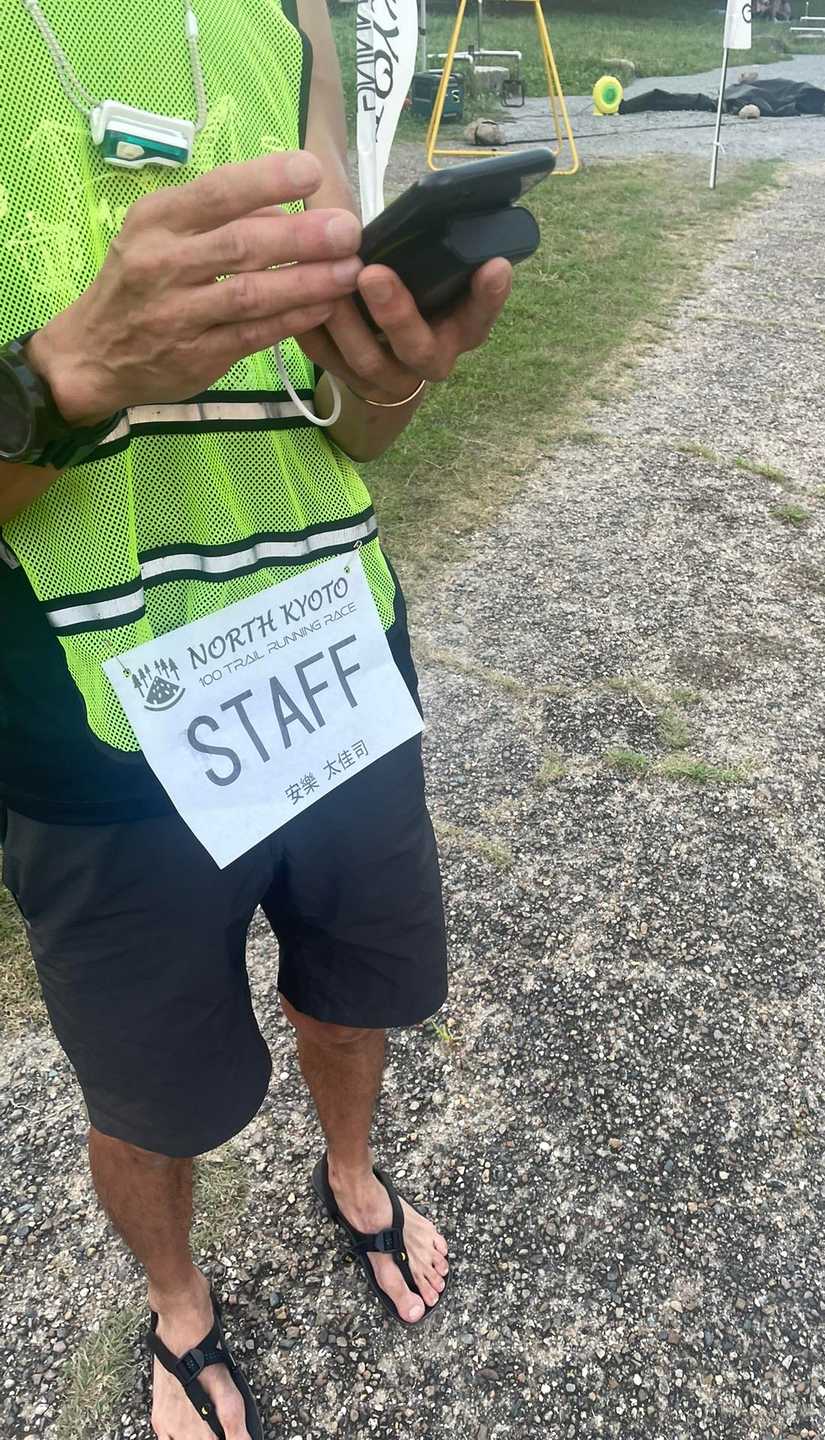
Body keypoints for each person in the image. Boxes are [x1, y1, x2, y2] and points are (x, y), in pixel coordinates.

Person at [0, 1, 513, 1436]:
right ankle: (179, 1308)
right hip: (98, 717)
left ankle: (351, 1173)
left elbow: (348, 423)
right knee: (150, 1090)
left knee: (355, 984)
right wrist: (58, 383)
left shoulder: (297, 13)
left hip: (331, 646)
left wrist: (392, 374)